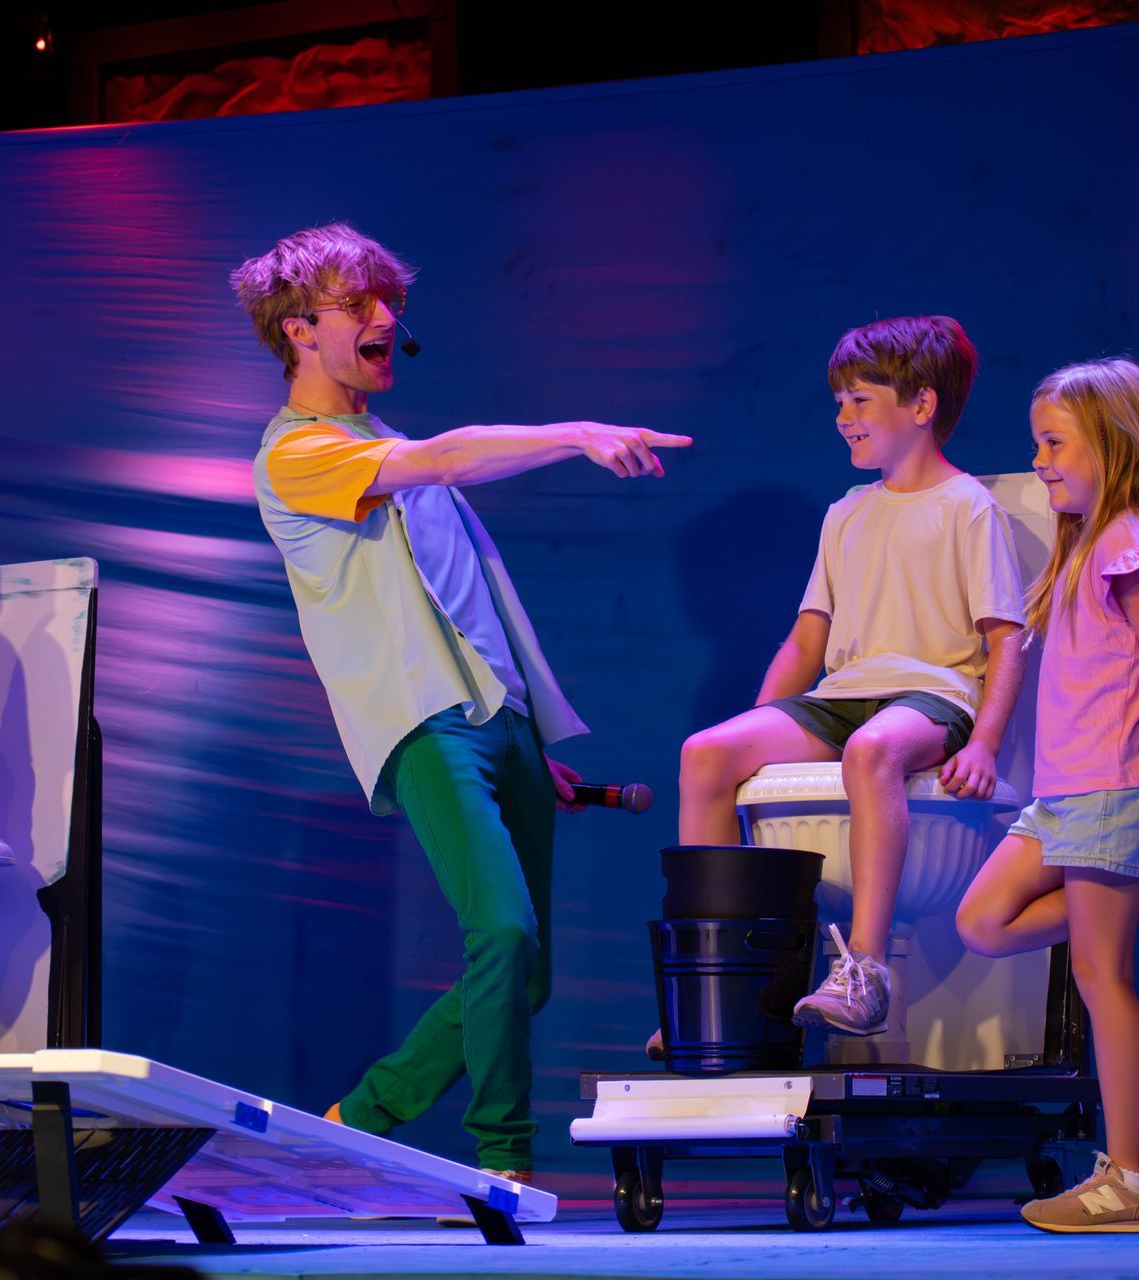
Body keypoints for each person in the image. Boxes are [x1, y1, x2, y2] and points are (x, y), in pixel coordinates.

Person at [232, 221, 689, 1177]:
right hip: (426, 725)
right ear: (296, 331)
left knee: (527, 974)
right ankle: (503, 1160)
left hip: (497, 723)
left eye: (388, 301)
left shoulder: (382, 438)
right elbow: (444, 460)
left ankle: (356, 1119)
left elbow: (461, 592)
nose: (385, 318)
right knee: (504, 933)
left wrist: (523, 731)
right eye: (358, 304)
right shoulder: (298, 453)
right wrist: (577, 434)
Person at [677, 316, 1025, 1037]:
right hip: (843, 697)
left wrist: (985, 743)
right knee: (705, 753)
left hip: (931, 696)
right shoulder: (846, 514)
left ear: (921, 406)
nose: (843, 418)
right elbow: (808, 640)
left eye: (860, 401)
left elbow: (1005, 641)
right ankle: (722, 987)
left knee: (873, 750)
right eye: (840, 403)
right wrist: (758, 735)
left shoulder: (969, 508)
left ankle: (865, 968)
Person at [955, 357, 1139, 1233]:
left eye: (1054, 442)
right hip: (1068, 794)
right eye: (1038, 442)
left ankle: (1135, 1179)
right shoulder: (1085, 543)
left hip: (1116, 788)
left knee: (1100, 977)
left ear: (1111, 444)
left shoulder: (1129, 547)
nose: (1039, 459)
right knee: (982, 921)